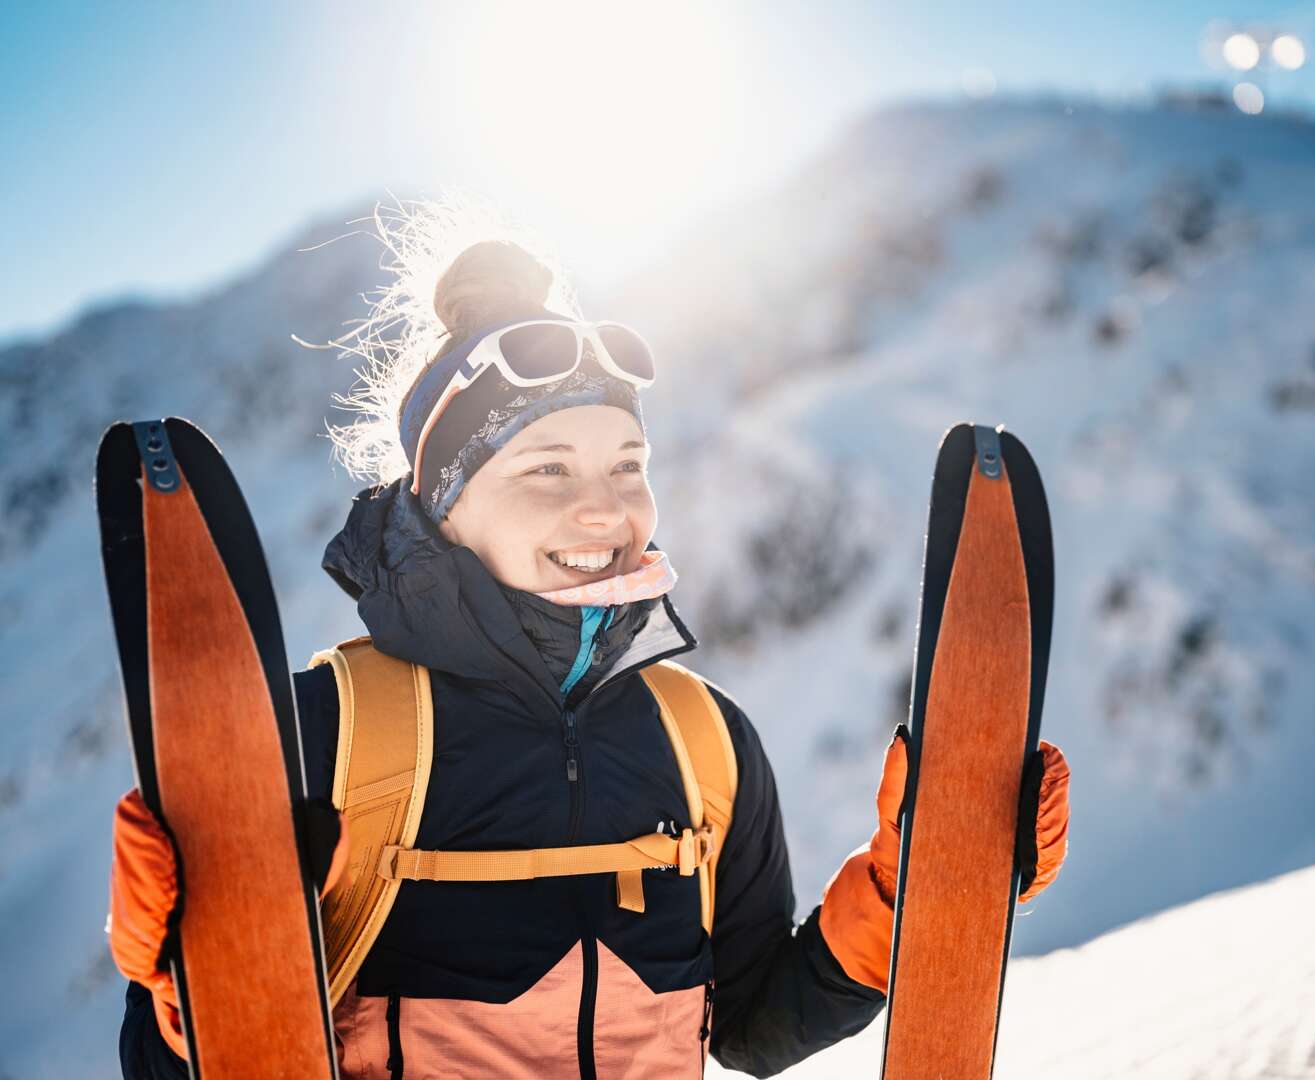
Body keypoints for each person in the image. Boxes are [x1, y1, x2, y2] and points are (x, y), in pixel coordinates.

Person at [107, 222, 1071, 1079]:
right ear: (445, 503)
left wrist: (906, 896)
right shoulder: (323, 732)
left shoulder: (702, 741)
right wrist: (189, 995)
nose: (603, 507)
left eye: (627, 465)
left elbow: (750, 1026)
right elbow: (220, 1056)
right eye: (547, 468)